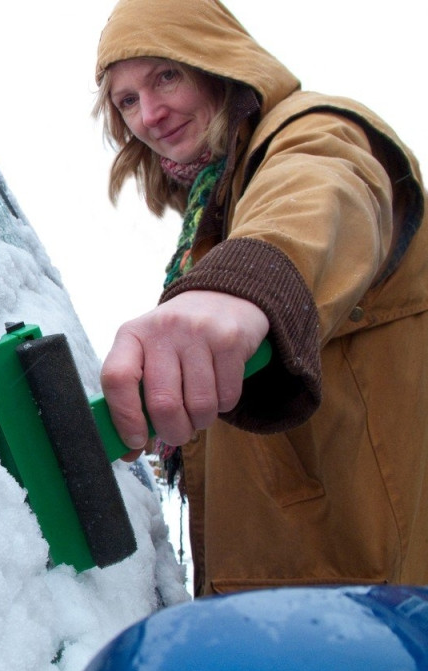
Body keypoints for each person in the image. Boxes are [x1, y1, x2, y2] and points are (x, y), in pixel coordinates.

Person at [94, 0, 428, 596]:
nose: (150, 113)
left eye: (166, 76)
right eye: (126, 100)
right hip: (289, 591)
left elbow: (324, 187)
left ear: (216, 60)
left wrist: (240, 285)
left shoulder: (312, 131)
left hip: (368, 593)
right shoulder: (218, 200)